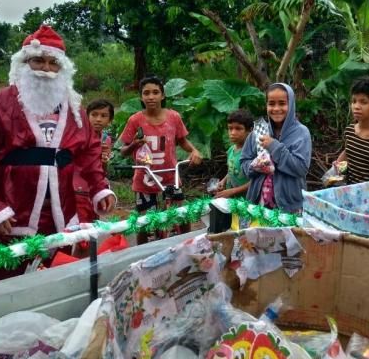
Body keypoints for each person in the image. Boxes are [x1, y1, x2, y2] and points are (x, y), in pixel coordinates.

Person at [0, 25, 116, 284]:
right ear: (24, 63)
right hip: (13, 211)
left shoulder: (74, 108)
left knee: (59, 279)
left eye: (53, 63)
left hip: (61, 209)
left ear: (63, 68)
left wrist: (99, 188)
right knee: (8, 282)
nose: (46, 69)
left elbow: (89, 152)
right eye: (38, 61)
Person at [118, 76, 202, 241]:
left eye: (155, 92)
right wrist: (134, 144)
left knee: (182, 216)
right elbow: (122, 151)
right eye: (146, 93)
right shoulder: (135, 120)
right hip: (145, 179)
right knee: (144, 222)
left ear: (163, 95)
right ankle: (142, 255)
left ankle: (187, 246)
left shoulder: (173, 117)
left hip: (171, 177)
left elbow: (182, 141)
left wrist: (194, 151)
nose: (151, 97)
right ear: (141, 97)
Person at [241, 83, 312, 213]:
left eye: (282, 103)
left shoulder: (301, 133)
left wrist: (274, 146)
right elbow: (244, 161)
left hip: (289, 206)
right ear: (266, 105)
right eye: (271, 103)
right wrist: (255, 166)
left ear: (291, 105)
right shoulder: (259, 131)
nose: (276, 108)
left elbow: (301, 168)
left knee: (288, 233)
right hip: (259, 204)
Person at [74, 99, 115, 224]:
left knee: (93, 225)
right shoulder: (78, 136)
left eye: (103, 116)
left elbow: (102, 170)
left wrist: (104, 160)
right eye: (94, 114)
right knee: (79, 227)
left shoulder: (105, 140)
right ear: (87, 117)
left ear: (110, 121)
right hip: (77, 188)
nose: (98, 119)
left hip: (95, 189)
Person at [215, 109, 253, 199]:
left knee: (242, 213)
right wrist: (223, 181)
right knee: (232, 213)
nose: (233, 133)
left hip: (246, 202)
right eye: (230, 128)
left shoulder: (252, 154)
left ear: (250, 131)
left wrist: (233, 191)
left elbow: (257, 181)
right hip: (232, 200)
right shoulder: (231, 150)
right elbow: (231, 170)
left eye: (238, 128)